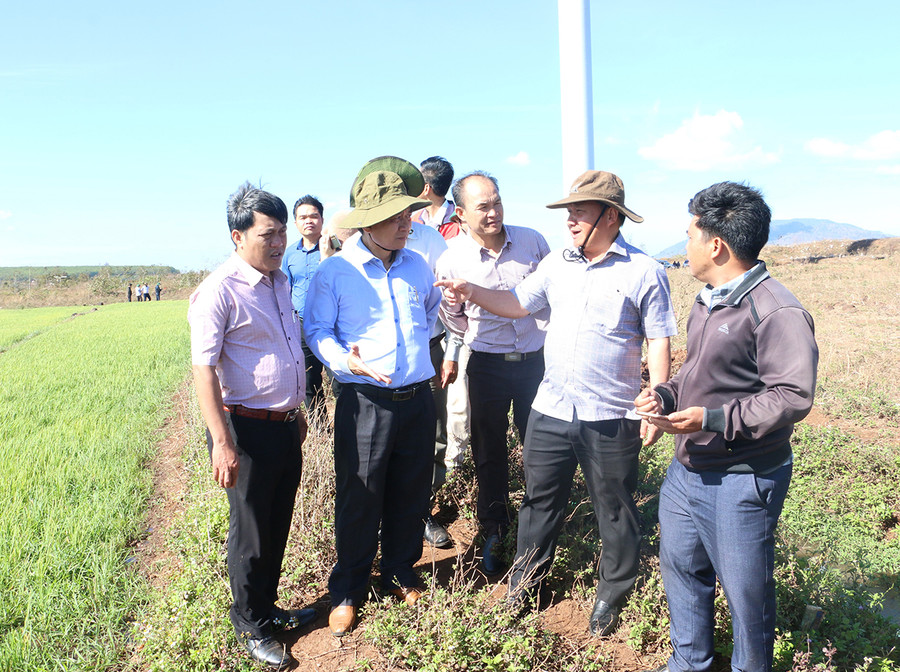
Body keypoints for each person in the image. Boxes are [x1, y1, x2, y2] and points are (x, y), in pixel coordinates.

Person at [437, 170, 676, 637]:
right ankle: (526, 582)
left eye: (579, 212)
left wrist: (657, 399)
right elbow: (517, 303)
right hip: (551, 407)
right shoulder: (558, 264)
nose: (569, 221)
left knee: (613, 505)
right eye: (567, 212)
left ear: (610, 216)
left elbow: (659, 338)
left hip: (610, 413)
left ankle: (612, 590)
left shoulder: (644, 271)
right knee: (538, 500)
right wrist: (471, 292)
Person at [635, 182, 818, 672]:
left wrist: (711, 420)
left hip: (741, 478)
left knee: (746, 599)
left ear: (716, 244)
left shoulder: (777, 310)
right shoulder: (707, 300)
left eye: (690, 233)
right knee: (682, 574)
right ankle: (689, 663)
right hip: (687, 472)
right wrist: (665, 394)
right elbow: (699, 373)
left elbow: (792, 396)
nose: (685, 243)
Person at [304, 161, 441, 638]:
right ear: (367, 222)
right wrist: (347, 361)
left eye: (409, 213)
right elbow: (317, 330)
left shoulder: (417, 266)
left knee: (410, 489)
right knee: (360, 498)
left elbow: (429, 315)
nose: (408, 222)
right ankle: (348, 589)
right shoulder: (336, 273)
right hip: (366, 402)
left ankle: (401, 570)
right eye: (398, 215)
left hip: (418, 399)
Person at [188, 183, 315, 668]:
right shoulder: (218, 290)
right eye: (269, 234)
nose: (280, 243)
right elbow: (203, 369)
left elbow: (281, 349)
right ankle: (251, 626)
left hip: (283, 424)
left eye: (282, 232)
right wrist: (221, 442)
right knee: (251, 533)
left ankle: (268, 608)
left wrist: (295, 409)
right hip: (243, 429)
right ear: (238, 237)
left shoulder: (279, 281)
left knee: (278, 521)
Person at [436, 171, 550, 573]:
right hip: (486, 364)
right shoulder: (452, 258)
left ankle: (539, 529)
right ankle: (495, 528)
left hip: (536, 362)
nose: (493, 213)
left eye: (497, 202)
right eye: (482, 207)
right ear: (461, 214)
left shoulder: (533, 241)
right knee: (489, 451)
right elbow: (456, 324)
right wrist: (453, 304)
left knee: (540, 447)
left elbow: (554, 294)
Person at [282, 195, 329, 424]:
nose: (309, 221)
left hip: (333, 323)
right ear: (295, 223)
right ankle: (320, 430)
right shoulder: (289, 254)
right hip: (301, 324)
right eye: (303, 217)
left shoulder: (334, 247)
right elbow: (284, 288)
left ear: (322, 218)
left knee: (340, 379)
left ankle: (346, 429)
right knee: (309, 379)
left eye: (314, 215)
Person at [413, 156, 459, 239]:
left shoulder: (458, 224)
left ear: (426, 188)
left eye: (417, 181)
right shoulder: (413, 220)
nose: (413, 186)